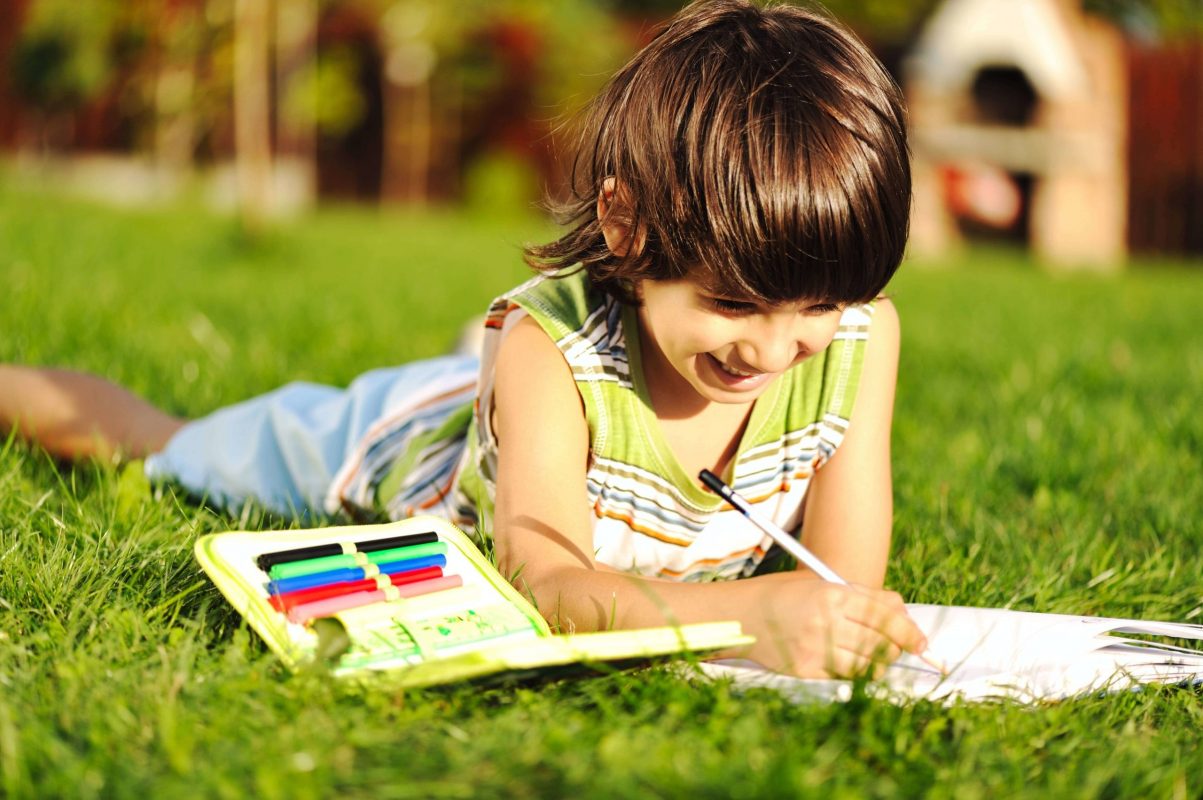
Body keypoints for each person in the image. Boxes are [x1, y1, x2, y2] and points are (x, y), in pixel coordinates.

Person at [0, 0, 928, 679]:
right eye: (732, 304)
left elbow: (843, 586)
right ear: (627, 225)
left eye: (815, 306)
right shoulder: (551, 356)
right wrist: (747, 614)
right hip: (403, 444)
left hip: (535, 411)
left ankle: (482, 386)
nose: (772, 352)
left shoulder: (856, 337)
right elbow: (550, 587)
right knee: (168, 448)